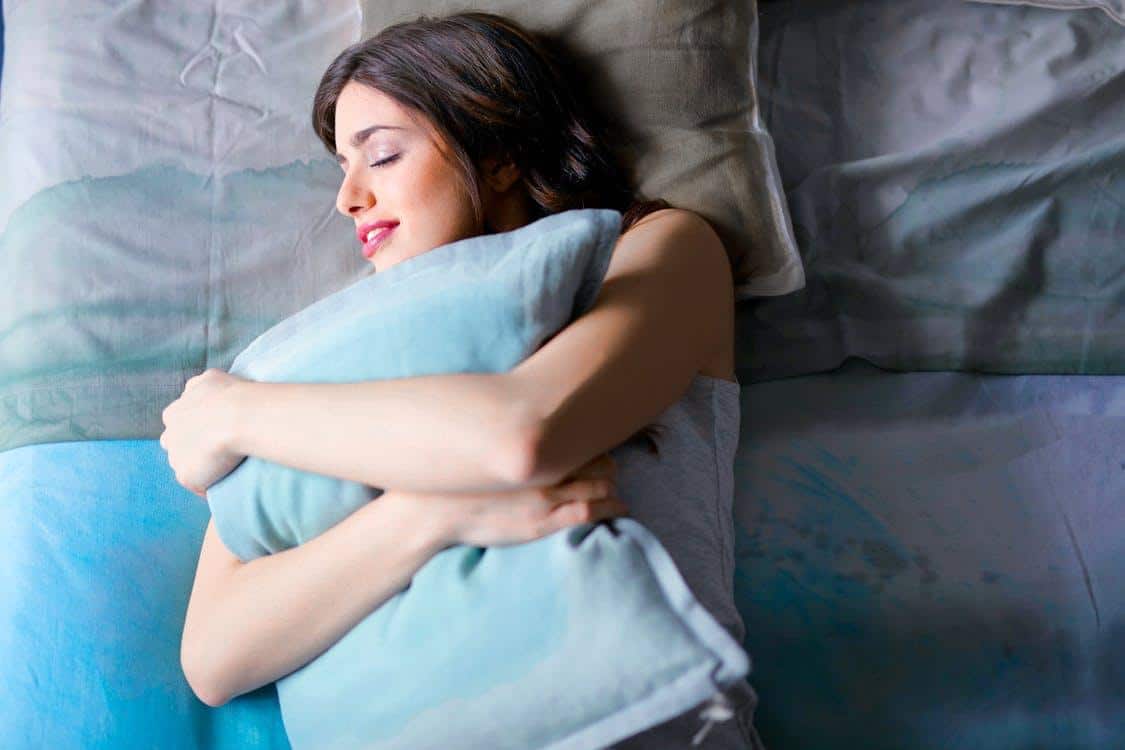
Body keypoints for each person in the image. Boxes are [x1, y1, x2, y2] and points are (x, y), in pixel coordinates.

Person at [163, 11, 759, 748]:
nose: (347, 199)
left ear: (500, 151)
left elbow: (522, 434)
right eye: (340, 169)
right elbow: (215, 657)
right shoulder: (317, 354)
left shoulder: (653, 250)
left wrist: (233, 416)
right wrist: (430, 519)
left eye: (379, 156)